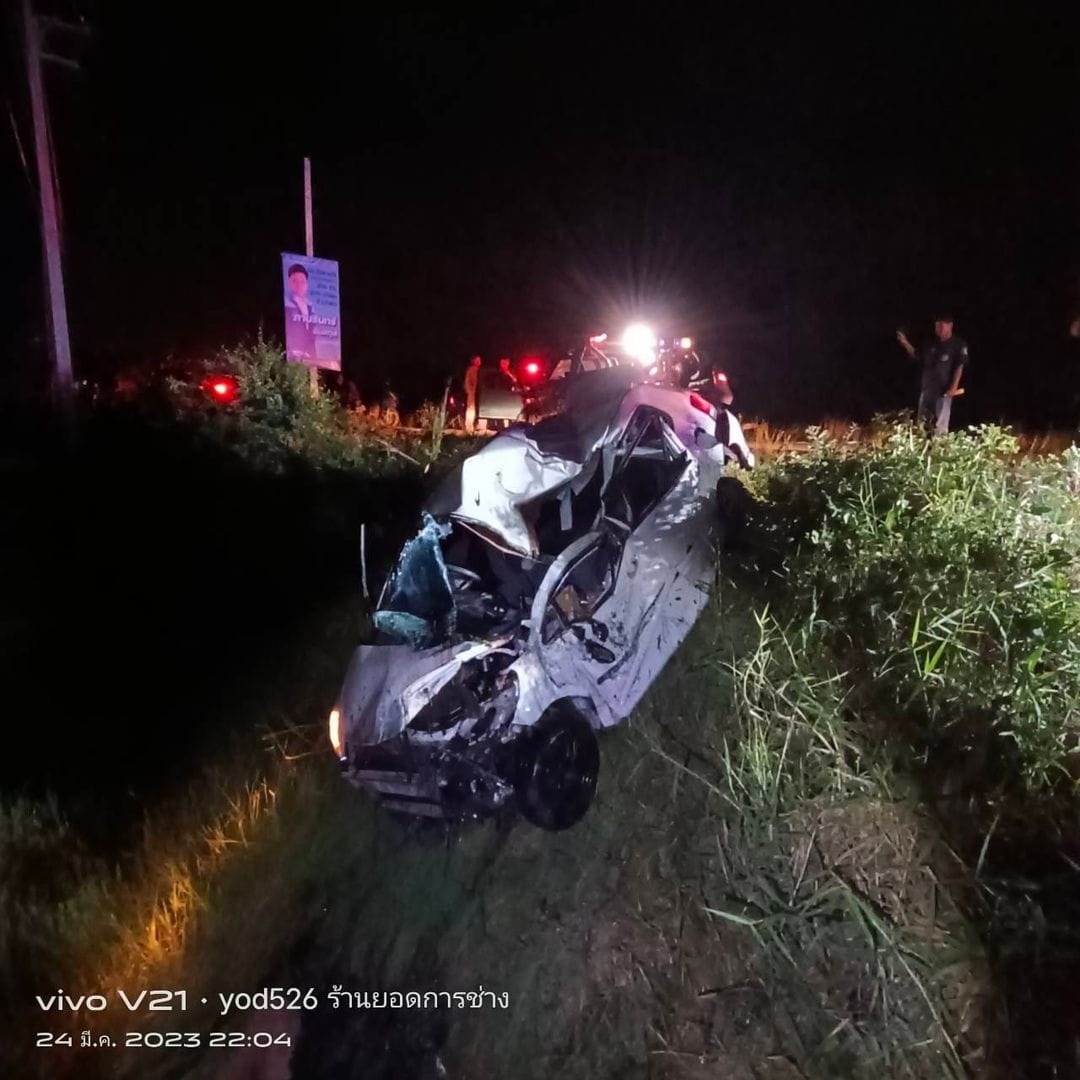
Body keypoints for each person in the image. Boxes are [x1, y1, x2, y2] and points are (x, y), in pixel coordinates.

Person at [896, 315, 969, 435]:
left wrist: (954, 387)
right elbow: (917, 355)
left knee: (941, 428)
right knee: (922, 425)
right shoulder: (931, 343)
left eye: (941, 326)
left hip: (944, 392)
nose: (938, 329)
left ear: (950, 326)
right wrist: (905, 343)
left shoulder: (958, 344)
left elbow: (959, 367)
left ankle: (940, 445)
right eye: (936, 326)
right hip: (927, 390)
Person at [284, 263, 317, 361]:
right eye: (295, 281)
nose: (299, 285)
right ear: (289, 284)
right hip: (294, 358)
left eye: (302, 281)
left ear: (307, 284)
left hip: (310, 356)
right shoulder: (288, 305)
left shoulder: (310, 308)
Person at [464, 355, 482, 434]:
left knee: (479, 410)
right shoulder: (471, 369)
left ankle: (477, 426)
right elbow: (467, 381)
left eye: (479, 360)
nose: (479, 361)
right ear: (473, 361)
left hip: (479, 393)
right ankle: (469, 428)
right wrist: (470, 391)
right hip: (472, 393)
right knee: (471, 410)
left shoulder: (480, 370)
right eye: (477, 360)